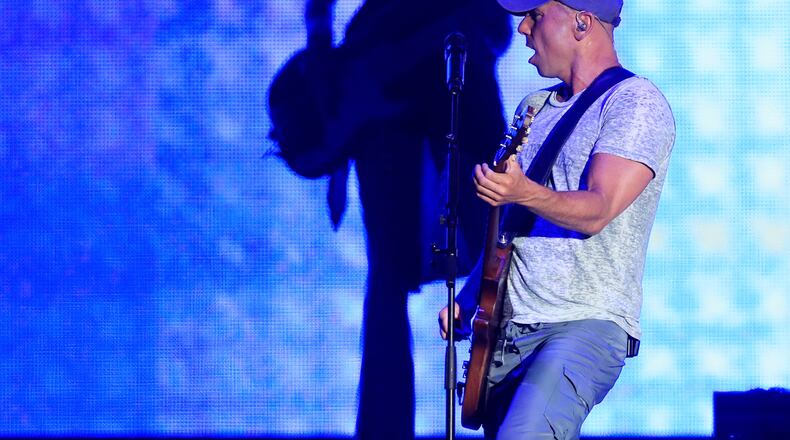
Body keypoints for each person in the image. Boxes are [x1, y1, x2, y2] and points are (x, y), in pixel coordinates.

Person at [268, 0, 511, 438]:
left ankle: (515, 414)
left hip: (434, 55)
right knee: (407, 276)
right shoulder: (360, 75)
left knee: (486, 257)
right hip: (409, 62)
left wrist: (329, 53)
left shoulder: (364, 72)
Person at [438, 0, 675, 438]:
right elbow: (513, 225)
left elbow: (598, 208)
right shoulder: (534, 108)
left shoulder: (634, 102)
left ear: (582, 22)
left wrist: (523, 191)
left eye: (536, 15)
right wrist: (470, 296)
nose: (523, 28)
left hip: (580, 324)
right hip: (506, 331)